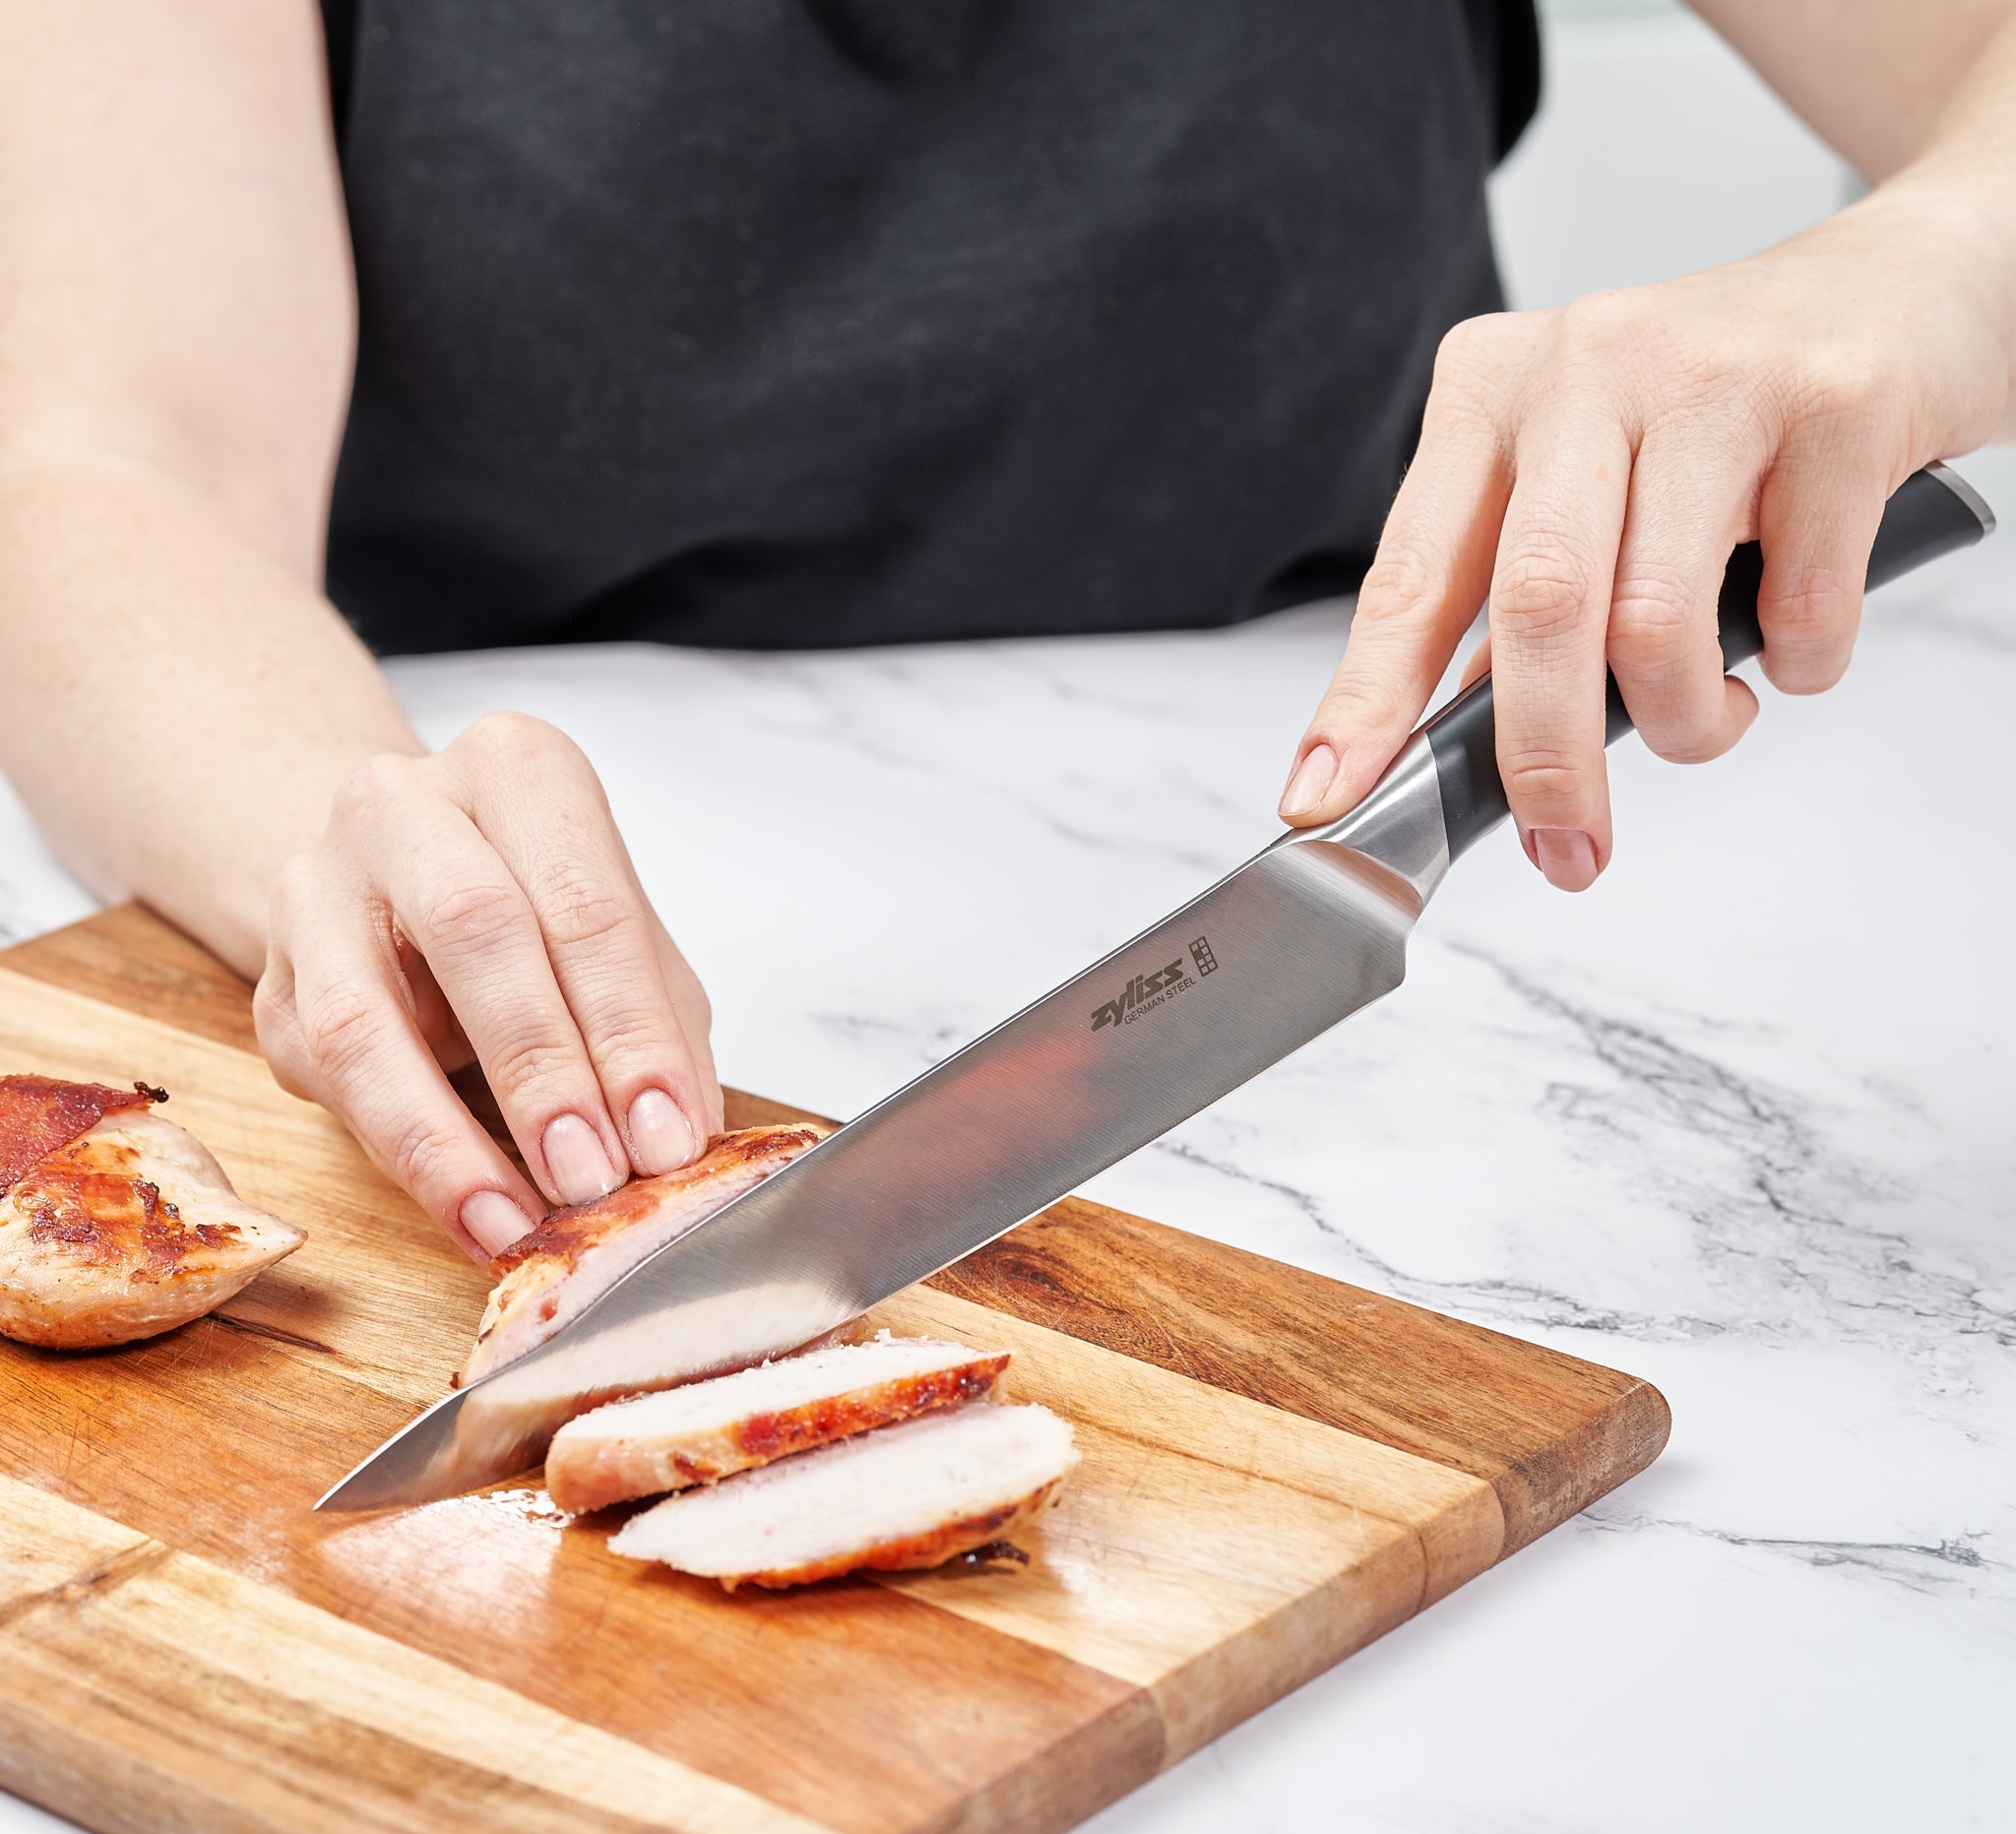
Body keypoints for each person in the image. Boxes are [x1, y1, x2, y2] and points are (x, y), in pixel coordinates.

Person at [0, 2, 2010, 1264]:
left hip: (1415, 891)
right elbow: (105, 458)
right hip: (527, 819)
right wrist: (344, 844)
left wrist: (1919, 260)